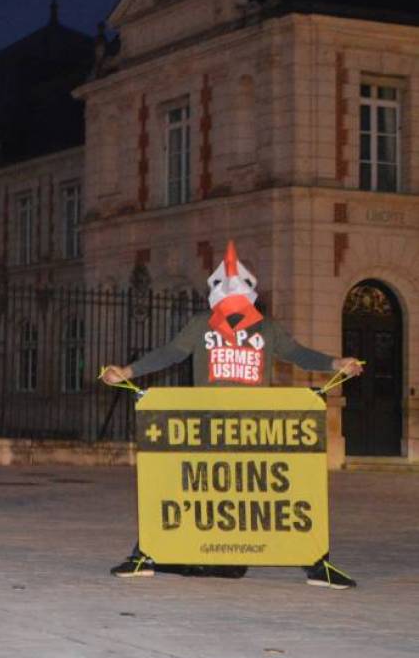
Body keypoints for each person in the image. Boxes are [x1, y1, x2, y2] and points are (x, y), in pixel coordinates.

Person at [101, 241, 363, 589]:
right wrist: (129, 372)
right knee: (182, 489)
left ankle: (316, 563)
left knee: (275, 493)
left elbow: (299, 354)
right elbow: (170, 353)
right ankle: (145, 554)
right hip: (207, 425)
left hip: (254, 427)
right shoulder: (201, 325)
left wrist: (336, 363)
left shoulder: (267, 329)